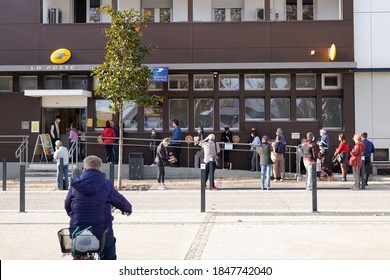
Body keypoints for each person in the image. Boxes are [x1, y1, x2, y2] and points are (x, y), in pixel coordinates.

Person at [65, 155, 132, 260]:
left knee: (79, 254)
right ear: (100, 169)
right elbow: (123, 203)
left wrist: (72, 214)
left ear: (84, 168)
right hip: (102, 232)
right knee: (109, 253)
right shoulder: (107, 185)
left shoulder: (75, 185)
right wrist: (127, 209)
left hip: (78, 231)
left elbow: (67, 206)